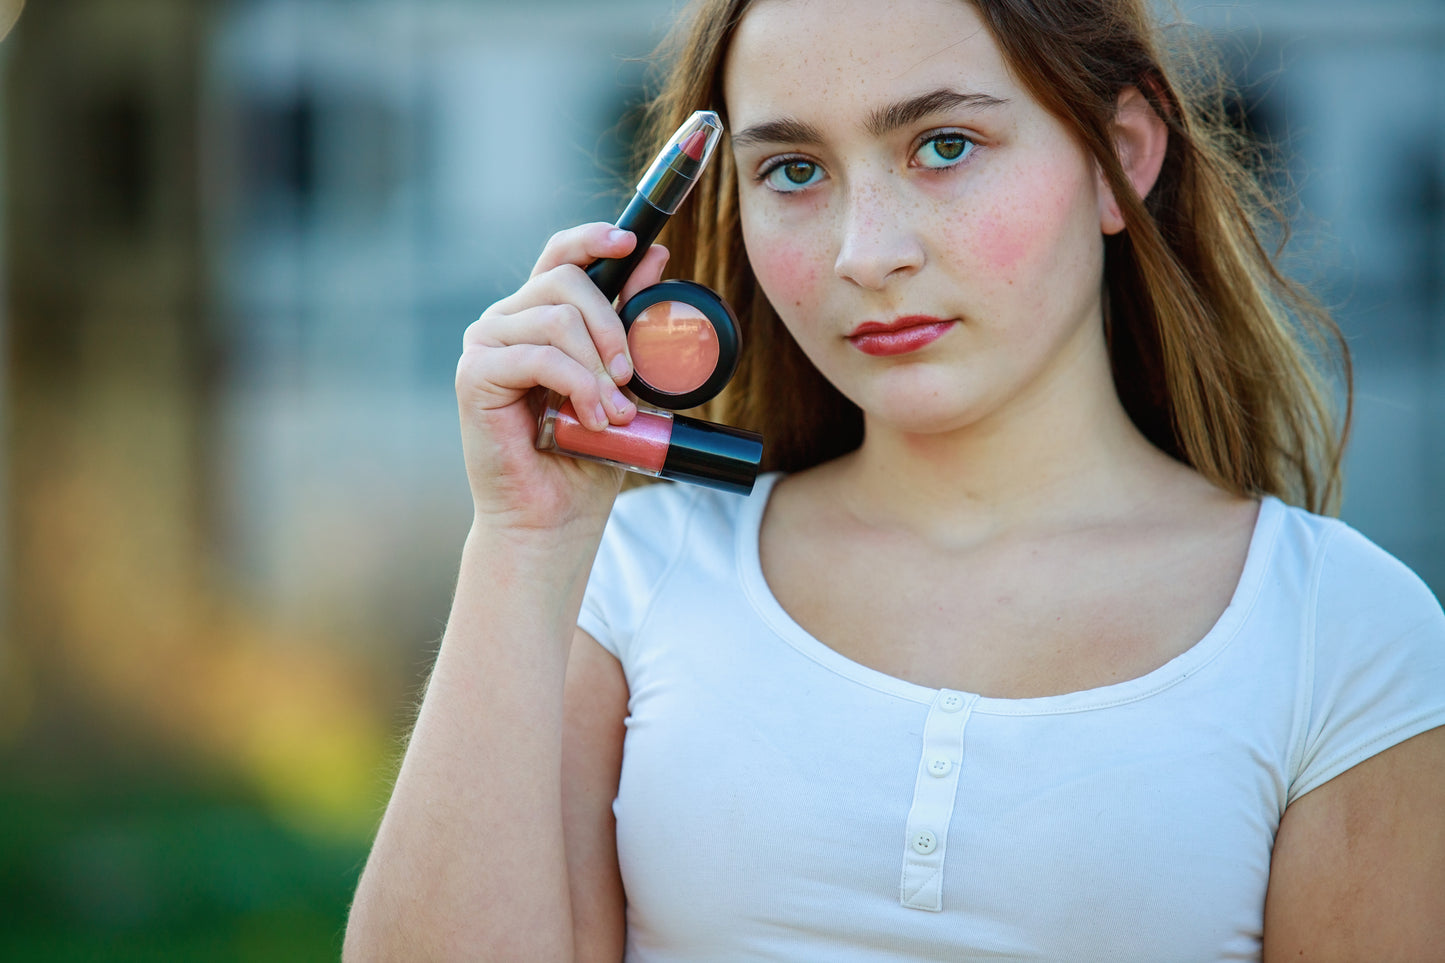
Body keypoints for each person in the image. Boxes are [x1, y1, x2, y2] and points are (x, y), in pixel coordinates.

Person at [344, 0, 1445, 959]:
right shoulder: (636, 579)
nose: (863, 254)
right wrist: (523, 540)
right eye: (792, 170)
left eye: (945, 144)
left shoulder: (1337, 637)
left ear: (1121, 155)